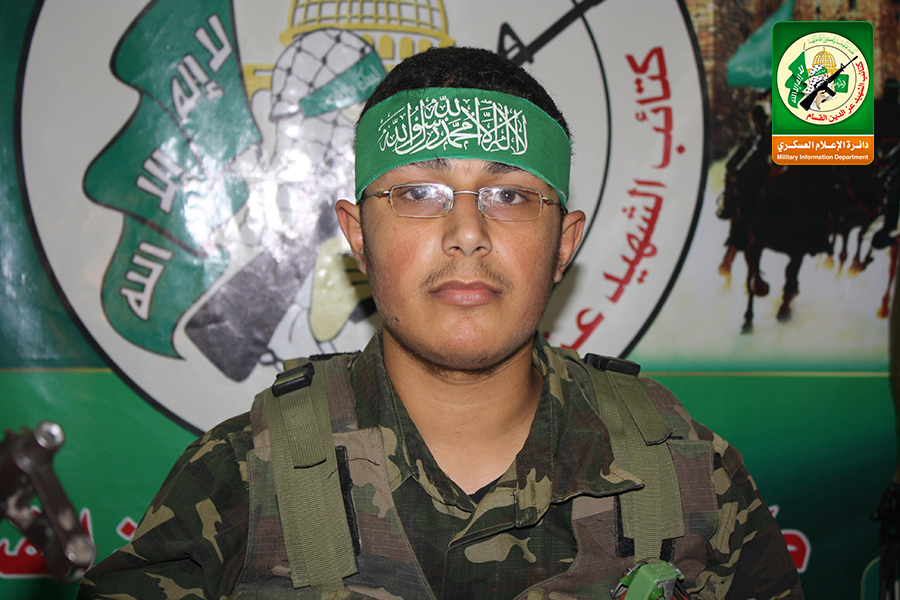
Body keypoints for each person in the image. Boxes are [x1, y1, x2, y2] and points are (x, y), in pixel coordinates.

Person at [78, 46, 804, 599]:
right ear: (358, 235)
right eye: (419, 193)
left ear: (564, 244)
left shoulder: (689, 477)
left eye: (509, 196)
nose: (466, 233)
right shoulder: (240, 477)